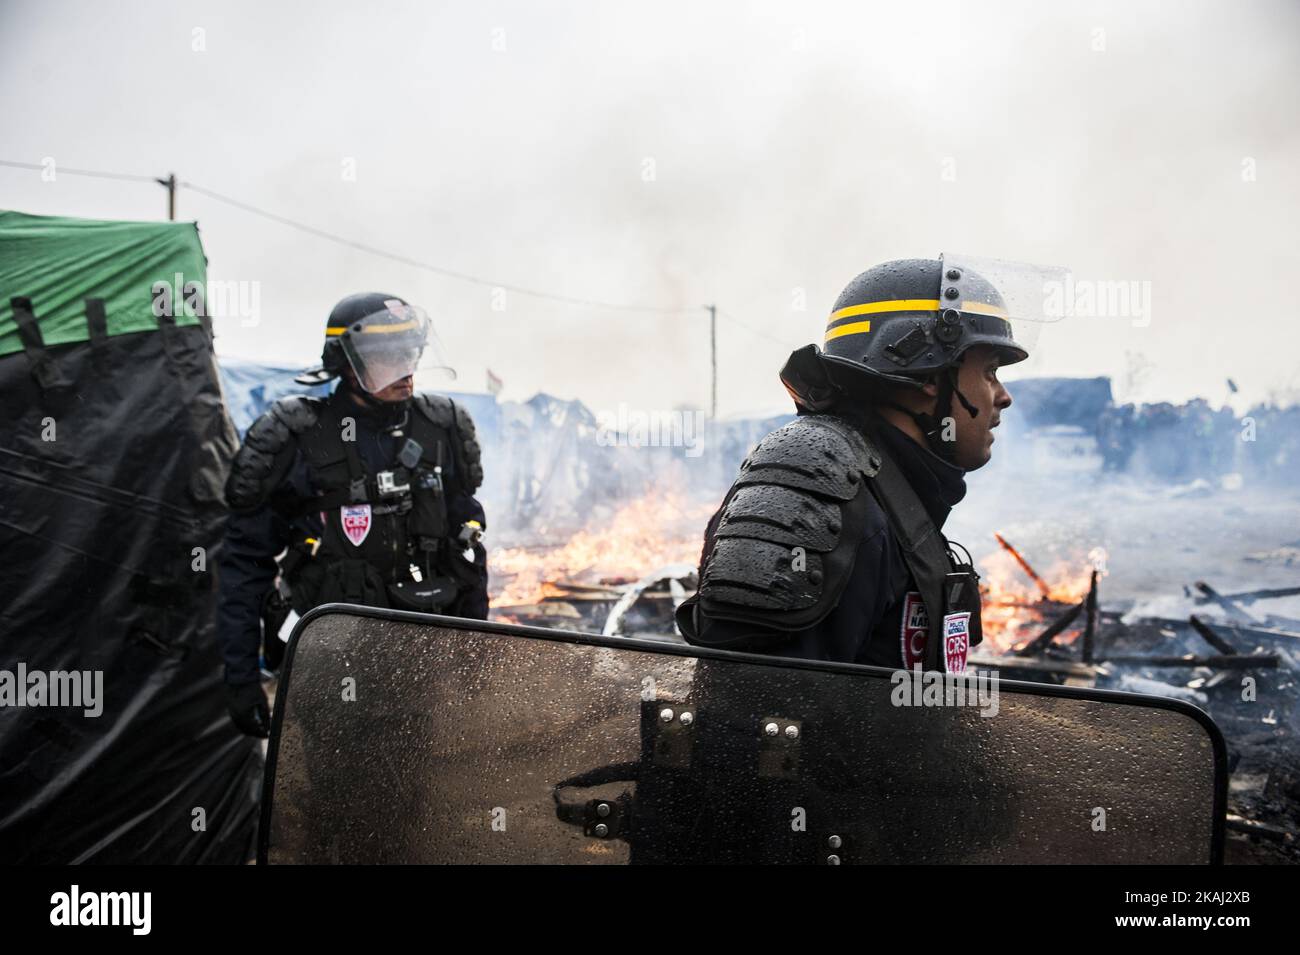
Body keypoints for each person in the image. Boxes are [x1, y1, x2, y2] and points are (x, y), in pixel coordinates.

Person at [676, 256, 1029, 673]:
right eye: (989, 371)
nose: (1003, 395)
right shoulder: (815, 485)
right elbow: (755, 717)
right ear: (930, 374)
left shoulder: (886, 487)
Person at [218, 293, 488, 737]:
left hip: (424, 660)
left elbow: (468, 545)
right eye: (388, 357)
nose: (405, 369)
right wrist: (241, 677)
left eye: (410, 353)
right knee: (337, 791)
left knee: (418, 790)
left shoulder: (443, 428)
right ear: (346, 363)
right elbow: (244, 564)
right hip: (329, 667)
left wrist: (476, 648)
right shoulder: (297, 436)